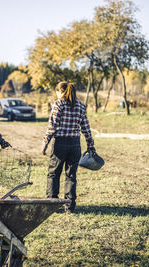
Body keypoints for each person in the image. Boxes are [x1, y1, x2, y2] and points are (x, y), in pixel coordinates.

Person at [42, 81, 96, 212]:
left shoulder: (58, 104)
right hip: (75, 144)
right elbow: (86, 128)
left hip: (60, 143)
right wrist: (90, 145)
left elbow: (52, 127)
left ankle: (52, 204)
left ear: (60, 91)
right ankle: (69, 206)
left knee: (54, 174)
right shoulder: (80, 106)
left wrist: (45, 142)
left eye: (56, 91)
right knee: (71, 175)